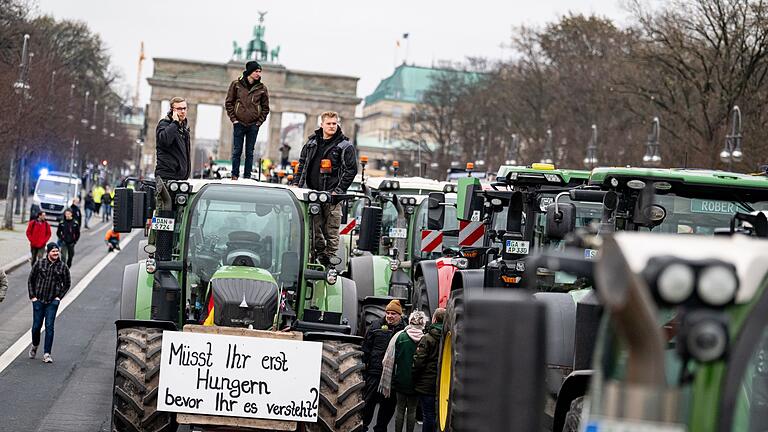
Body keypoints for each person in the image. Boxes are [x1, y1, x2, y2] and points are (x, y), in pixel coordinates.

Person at [294, 111, 358, 265]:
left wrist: (339, 191)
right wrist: (296, 184)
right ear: (321, 124)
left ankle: (329, 262)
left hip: (332, 197)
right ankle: (318, 255)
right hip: (311, 194)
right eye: (328, 123)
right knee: (313, 231)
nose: (331, 126)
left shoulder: (345, 146)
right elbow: (302, 164)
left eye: (334, 123)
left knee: (332, 231)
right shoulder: (311, 144)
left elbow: (351, 170)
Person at [362, 299, 406, 432]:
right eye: (388, 313)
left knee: (388, 405)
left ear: (400, 315)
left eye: (393, 313)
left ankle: (380, 428)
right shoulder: (375, 326)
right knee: (368, 401)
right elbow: (366, 348)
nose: (390, 316)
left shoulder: (405, 329)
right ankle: (363, 426)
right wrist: (364, 369)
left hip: (392, 375)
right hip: (374, 372)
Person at [379, 311, 427, 432]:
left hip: (400, 379)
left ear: (410, 322)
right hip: (417, 381)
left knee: (399, 410)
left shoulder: (401, 337)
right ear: (422, 323)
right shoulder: (425, 339)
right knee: (412, 411)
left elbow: (391, 359)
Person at [225, 61, 270, 181]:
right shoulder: (236, 85)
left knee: (250, 152)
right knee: (237, 151)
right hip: (239, 123)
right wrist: (234, 120)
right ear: (250, 71)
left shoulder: (262, 88)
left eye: (260, 72)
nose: (258, 74)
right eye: (256, 71)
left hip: (253, 125)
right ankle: (234, 175)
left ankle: (247, 176)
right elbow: (229, 102)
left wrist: (259, 123)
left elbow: (266, 108)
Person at [28, 242, 71, 363]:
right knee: (36, 326)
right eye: (53, 251)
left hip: (52, 302)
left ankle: (47, 354)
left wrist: (59, 298)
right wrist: (33, 297)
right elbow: (31, 280)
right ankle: (35, 345)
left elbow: (67, 283)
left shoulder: (63, 267)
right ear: (48, 252)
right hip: (38, 301)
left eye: (57, 251)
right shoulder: (39, 263)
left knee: (49, 327)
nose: (56, 253)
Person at [412, 308, 446, 432]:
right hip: (443, 383)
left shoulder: (428, 337)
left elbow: (419, 361)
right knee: (439, 415)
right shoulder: (449, 336)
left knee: (428, 414)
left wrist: (414, 375)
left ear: (434, 319)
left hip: (426, 383)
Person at [156, 96, 191, 182]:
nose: (183, 111)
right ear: (172, 110)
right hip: (167, 177)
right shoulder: (164, 124)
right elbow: (164, 141)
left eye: (184, 108)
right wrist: (175, 123)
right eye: (179, 109)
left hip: (180, 178)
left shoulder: (184, 128)